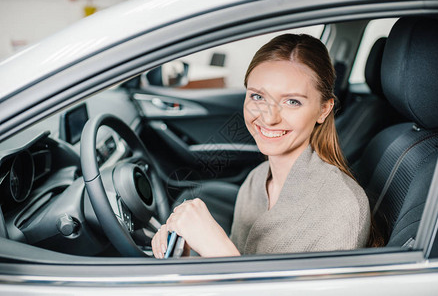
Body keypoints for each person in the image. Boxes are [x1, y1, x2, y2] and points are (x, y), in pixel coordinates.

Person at [151, 34, 370, 258]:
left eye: (292, 101)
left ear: (323, 109)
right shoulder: (255, 180)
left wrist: (216, 247)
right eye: (258, 97)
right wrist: (186, 258)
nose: (269, 118)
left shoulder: (343, 207)